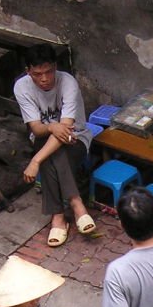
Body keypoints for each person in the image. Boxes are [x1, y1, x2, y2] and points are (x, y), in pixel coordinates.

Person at [13, 43, 96, 247]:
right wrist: (51, 127)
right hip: (44, 139)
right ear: (28, 72)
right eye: (37, 74)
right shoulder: (21, 87)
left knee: (50, 153)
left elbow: (67, 131)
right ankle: (77, 205)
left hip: (76, 138)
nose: (44, 79)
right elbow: (36, 128)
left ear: (55, 67)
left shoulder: (68, 83)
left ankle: (58, 218)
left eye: (49, 72)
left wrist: (35, 160)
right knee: (49, 147)